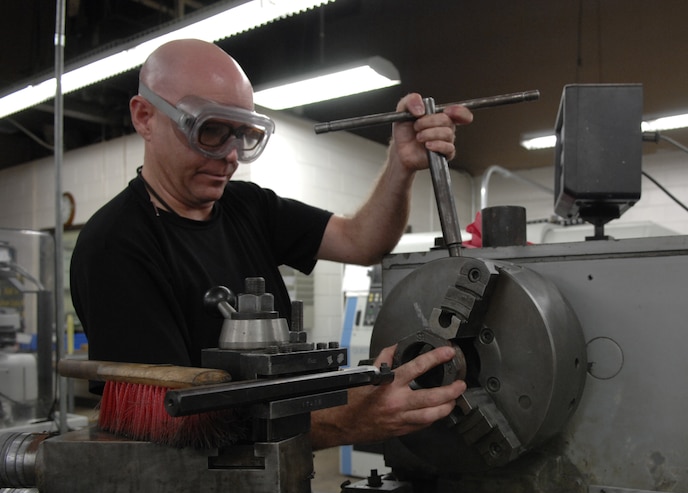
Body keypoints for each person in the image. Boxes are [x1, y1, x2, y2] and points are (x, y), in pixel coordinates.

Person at [70, 38, 471, 450]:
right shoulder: (115, 244)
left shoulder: (248, 206)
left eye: (242, 135)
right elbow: (169, 428)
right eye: (209, 130)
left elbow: (360, 241)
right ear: (145, 117)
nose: (230, 156)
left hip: (286, 482)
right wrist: (345, 419)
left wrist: (400, 164)